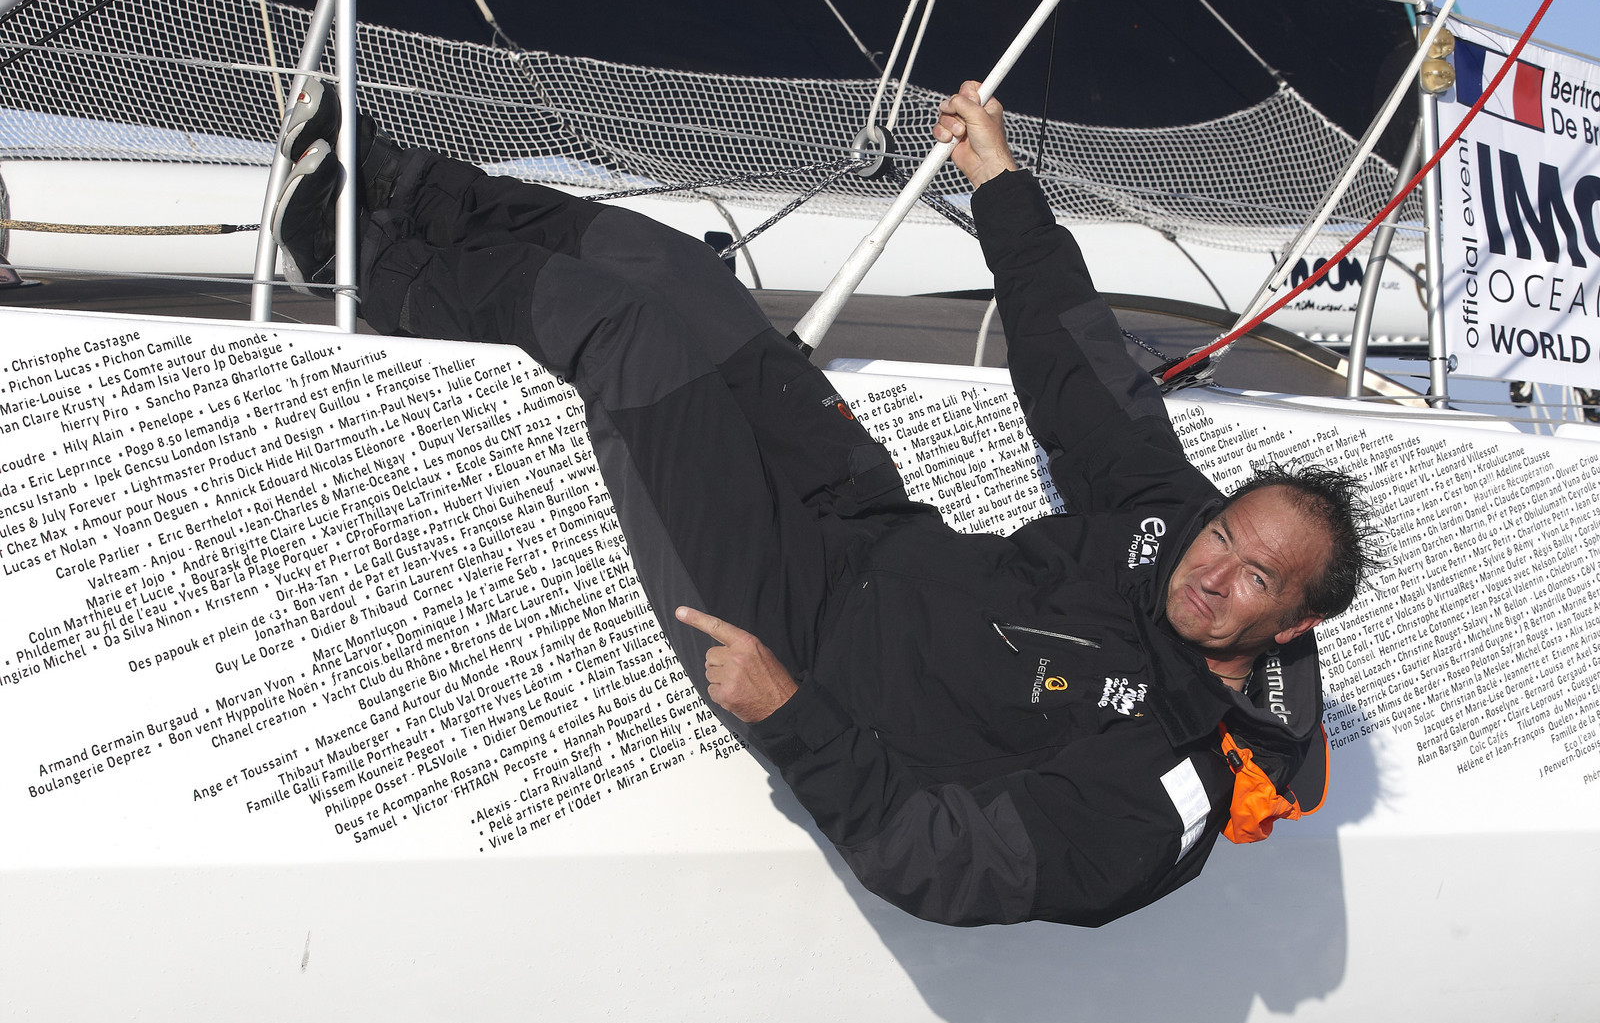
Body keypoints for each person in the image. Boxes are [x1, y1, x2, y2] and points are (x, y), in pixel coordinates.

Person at [271, 78, 1370, 929]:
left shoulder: (1166, 790)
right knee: (683, 284)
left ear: (1293, 621)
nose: (1211, 570)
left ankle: (340, 250)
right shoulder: (1168, 525)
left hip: (788, 636)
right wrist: (998, 184)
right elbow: (1077, 366)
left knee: (629, 338)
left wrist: (788, 711)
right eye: (1226, 533)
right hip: (866, 522)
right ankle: (394, 181)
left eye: (1254, 580)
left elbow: (941, 864)